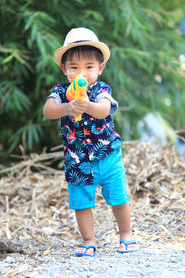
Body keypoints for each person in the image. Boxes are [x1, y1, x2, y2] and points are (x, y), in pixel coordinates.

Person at [43, 27, 138, 256]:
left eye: (89, 67)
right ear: (64, 69)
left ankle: (126, 234)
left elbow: (104, 110)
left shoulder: (101, 89)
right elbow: (48, 110)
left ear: (100, 68)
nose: (81, 74)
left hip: (107, 155)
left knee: (118, 197)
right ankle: (88, 240)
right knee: (81, 201)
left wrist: (87, 105)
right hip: (77, 159)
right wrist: (67, 107)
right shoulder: (61, 91)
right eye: (74, 68)